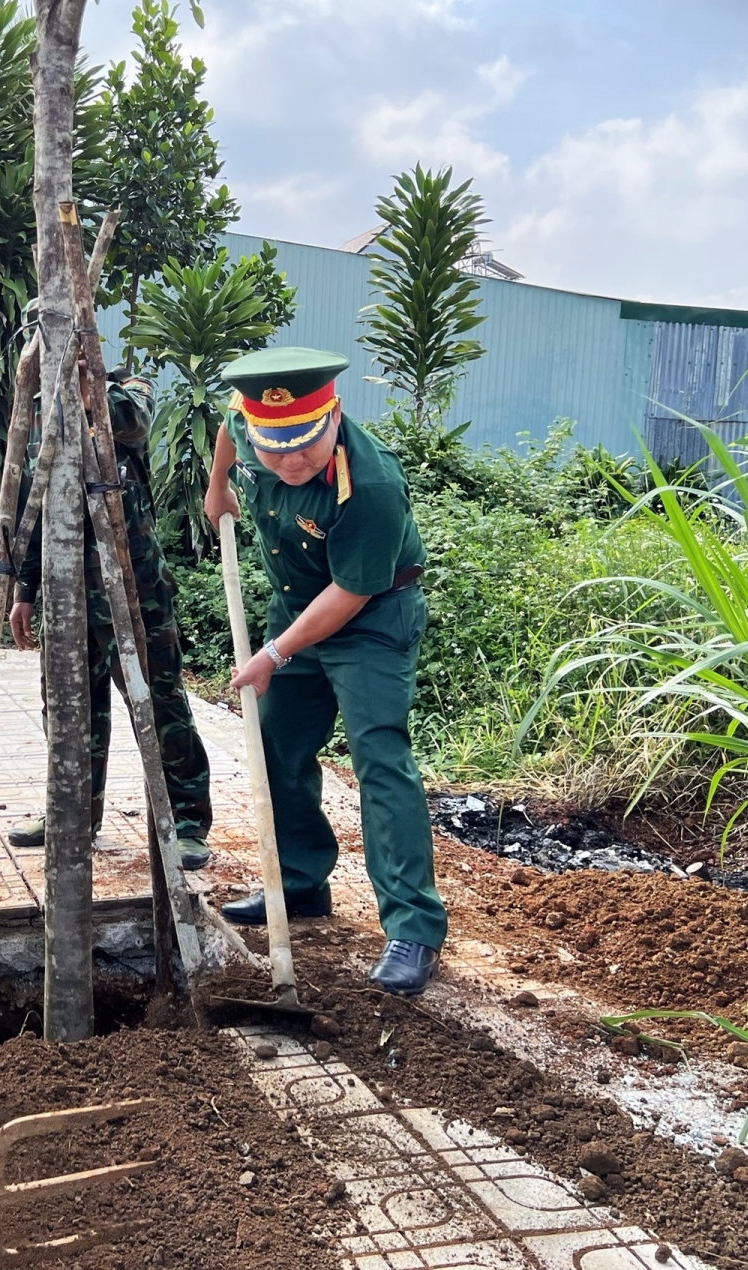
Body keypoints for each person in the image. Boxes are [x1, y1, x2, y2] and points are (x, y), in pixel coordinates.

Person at [202, 346, 445, 996]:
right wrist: (217, 486)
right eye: (272, 448)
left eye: (302, 448)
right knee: (278, 744)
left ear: (331, 416)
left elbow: (349, 595)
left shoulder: (371, 483)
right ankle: (301, 884)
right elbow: (228, 431)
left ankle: (414, 929)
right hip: (296, 608)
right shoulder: (252, 432)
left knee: (378, 756)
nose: (287, 462)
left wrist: (273, 653)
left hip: (370, 612)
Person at [7, 360, 213, 870]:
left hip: (134, 591)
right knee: (69, 712)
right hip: (65, 596)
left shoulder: (126, 389)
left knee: (162, 706)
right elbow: (35, 504)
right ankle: (72, 816)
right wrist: (25, 588)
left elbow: (133, 425)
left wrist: (83, 384)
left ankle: (185, 824)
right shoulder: (37, 410)